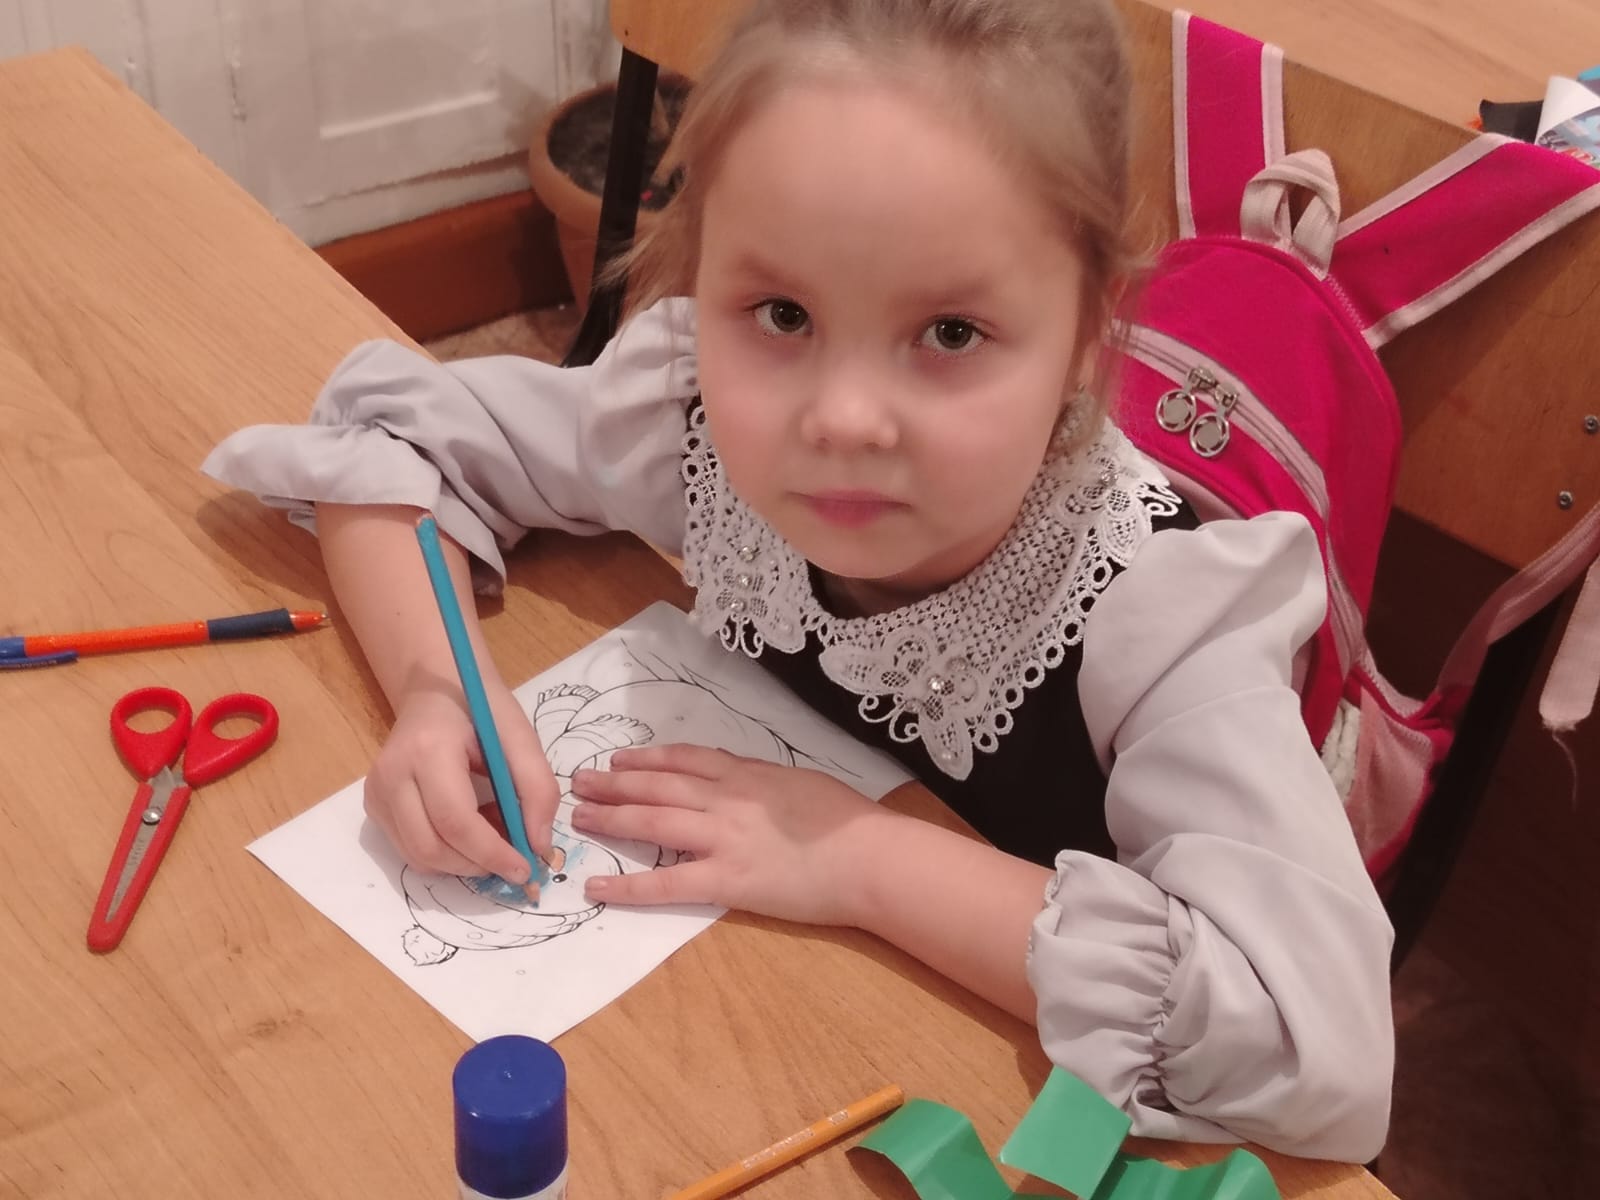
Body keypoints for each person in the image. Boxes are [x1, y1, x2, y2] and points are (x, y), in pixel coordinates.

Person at [203, 0, 1393, 1162]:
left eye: (949, 333)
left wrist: (864, 862)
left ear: (1088, 335)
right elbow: (394, 436)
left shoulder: (1163, 615)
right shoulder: (685, 419)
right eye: (781, 314)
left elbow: (1319, 1053)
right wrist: (432, 690)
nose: (842, 419)